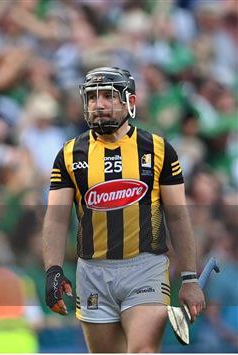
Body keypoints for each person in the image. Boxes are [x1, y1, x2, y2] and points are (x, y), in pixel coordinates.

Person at [42, 67, 206, 352]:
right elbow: (56, 219)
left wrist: (190, 278)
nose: (99, 105)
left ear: (129, 101)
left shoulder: (158, 149)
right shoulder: (69, 154)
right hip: (92, 270)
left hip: (145, 267)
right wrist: (53, 270)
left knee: (142, 351)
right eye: (92, 98)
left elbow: (178, 216)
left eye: (108, 96)